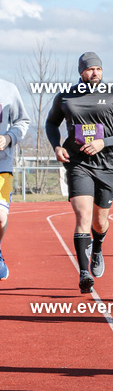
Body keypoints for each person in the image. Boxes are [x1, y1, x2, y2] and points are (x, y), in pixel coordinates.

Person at [46, 52, 113, 293]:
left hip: (106, 165)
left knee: (99, 221)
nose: (95, 72)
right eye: (89, 69)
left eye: (98, 68)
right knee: (83, 217)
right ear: (81, 72)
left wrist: (103, 142)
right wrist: (56, 146)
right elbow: (50, 123)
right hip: (78, 164)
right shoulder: (65, 97)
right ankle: (84, 273)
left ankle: (97, 247)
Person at [0, 79, 31, 280]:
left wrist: (9, 137)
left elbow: (23, 121)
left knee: (1, 217)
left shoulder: (8, 89)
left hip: (2, 166)